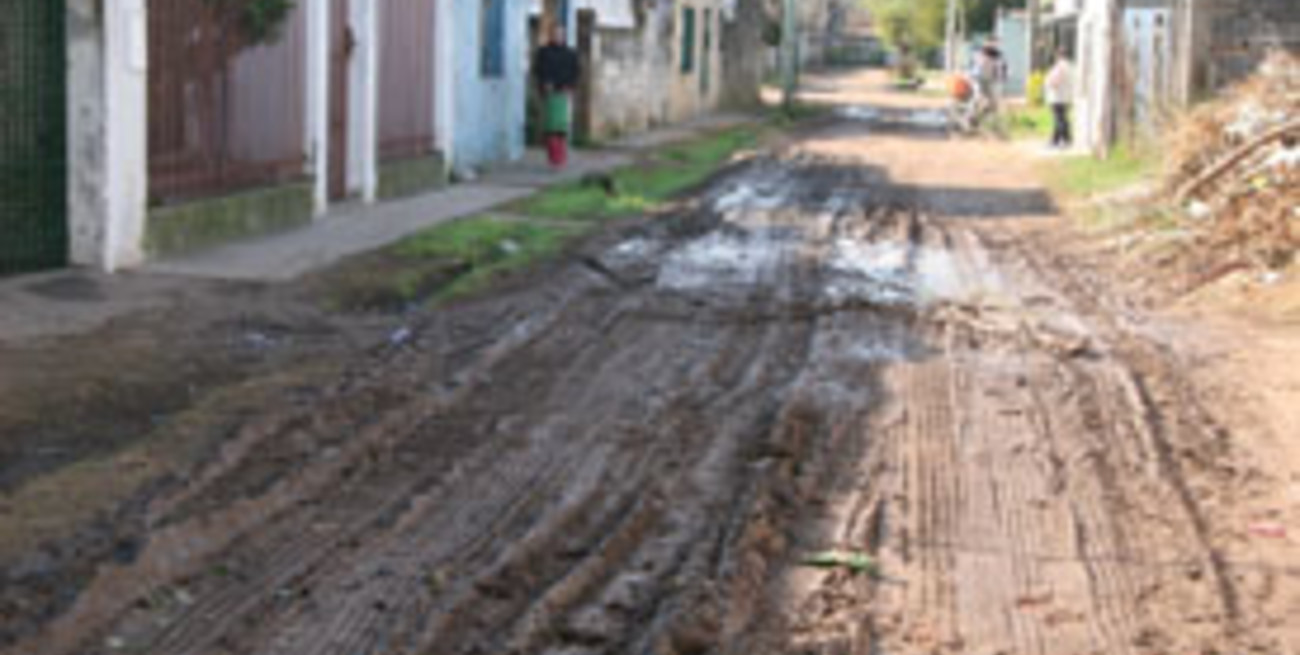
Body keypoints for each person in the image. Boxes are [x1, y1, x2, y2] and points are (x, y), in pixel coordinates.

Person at [533, 24, 581, 169]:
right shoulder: (544, 52)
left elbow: (576, 71)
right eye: (555, 34)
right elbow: (538, 70)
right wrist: (545, 84)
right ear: (551, 35)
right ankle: (554, 157)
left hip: (564, 93)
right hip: (549, 94)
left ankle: (561, 156)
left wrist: (570, 85)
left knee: (562, 127)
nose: (558, 36)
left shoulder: (570, 53)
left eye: (560, 34)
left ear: (564, 36)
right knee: (550, 127)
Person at [1045, 48, 1074, 149]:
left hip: (1057, 96)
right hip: (1065, 96)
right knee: (1061, 118)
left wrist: (1050, 84)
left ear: (1058, 55)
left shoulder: (1061, 66)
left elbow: (1056, 80)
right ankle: (1056, 140)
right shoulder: (1069, 66)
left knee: (1059, 119)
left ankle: (1063, 140)